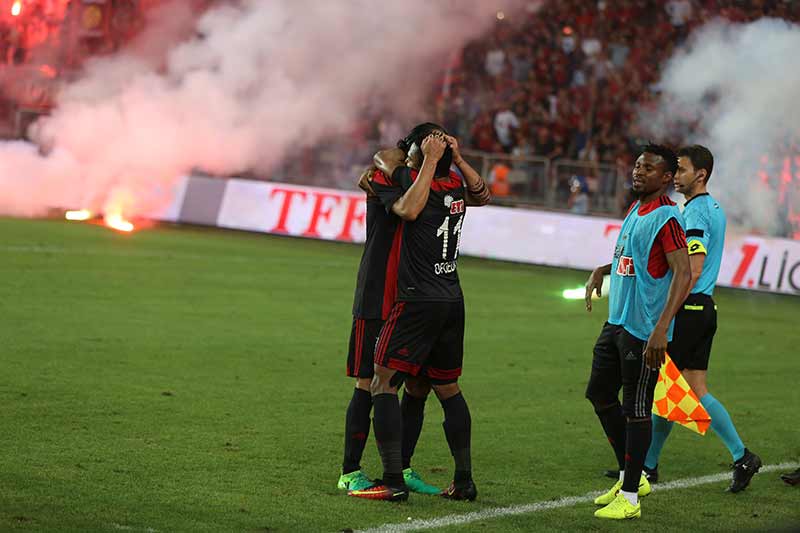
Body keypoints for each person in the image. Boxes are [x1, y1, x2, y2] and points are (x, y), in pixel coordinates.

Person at [348, 123, 490, 502]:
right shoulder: (455, 187)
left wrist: (428, 159)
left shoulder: (419, 185)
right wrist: (452, 158)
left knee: (380, 381)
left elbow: (408, 207)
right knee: (446, 388)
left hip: (415, 299)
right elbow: (483, 193)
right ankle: (463, 481)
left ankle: (393, 479)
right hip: (451, 298)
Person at [643, 145, 761, 492]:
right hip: (704, 308)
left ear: (701, 175)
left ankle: (739, 455)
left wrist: (666, 315)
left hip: (690, 307)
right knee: (687, 389)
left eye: (680, 170)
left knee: (667, 389)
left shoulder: (695, 213)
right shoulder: (713, 208)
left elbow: (692, 269)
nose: (675, 176)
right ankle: (651, 465)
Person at [584, 144, 691, 520]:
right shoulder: (636, 209)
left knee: (637, 408)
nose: (638, 171)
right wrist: (603, 268)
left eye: (649, 168)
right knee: (599, 393)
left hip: (644, 329)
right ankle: (634, 476)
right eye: (637, 165)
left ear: (666, 179)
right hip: (617, 323)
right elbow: (634, 260)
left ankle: (630, 498)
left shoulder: (667, 218)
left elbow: (684, 272)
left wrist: (661, 328)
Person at [338, 166, 439, 495]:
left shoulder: (423, 183)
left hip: (411, 300)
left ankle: (401, 467)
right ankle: (350, 471)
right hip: (377, 295)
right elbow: (386, 160)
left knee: (415, 383)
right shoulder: (385, 177)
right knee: (367, 381)